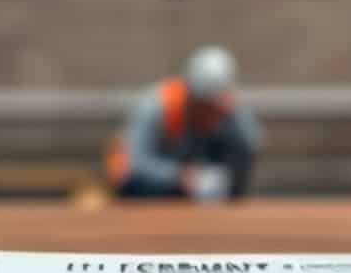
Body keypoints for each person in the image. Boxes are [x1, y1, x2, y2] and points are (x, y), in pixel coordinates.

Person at [107, 46, 262, 201]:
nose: (210, 116)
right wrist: (177, 176)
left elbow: (251, 143)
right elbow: (135, 164)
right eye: (203, 108)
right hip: (150, 186)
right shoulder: (157, 107)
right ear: (191, 97)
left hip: (196, 182)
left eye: (215, 109)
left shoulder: (231, 112)